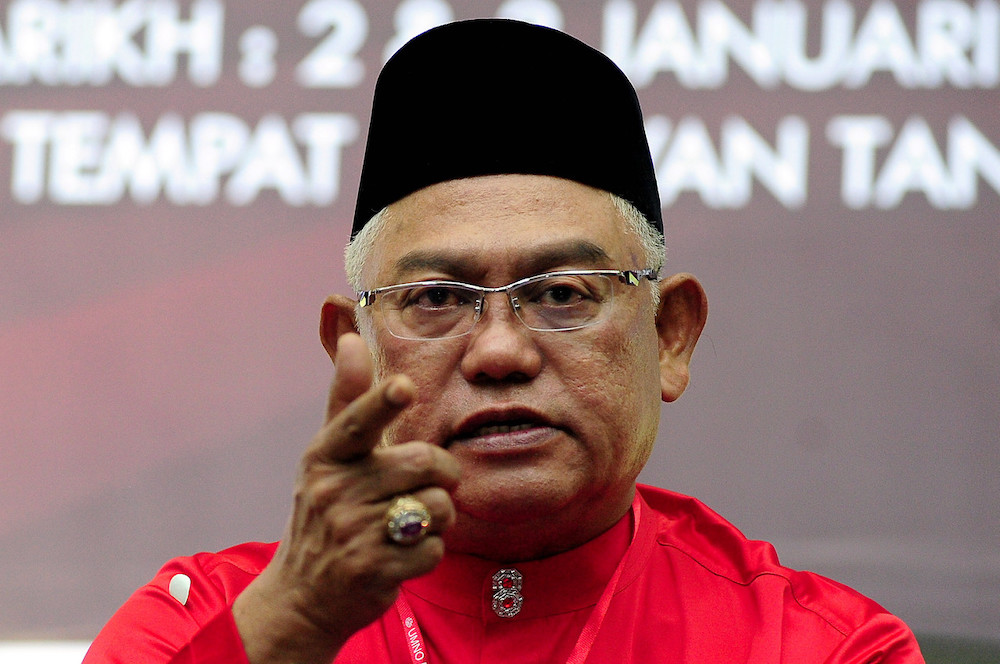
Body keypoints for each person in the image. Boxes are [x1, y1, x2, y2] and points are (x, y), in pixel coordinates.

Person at [83, 19, 924, 664]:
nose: (498, 353)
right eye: (437, 298)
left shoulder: (817, 646)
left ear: (670, 336)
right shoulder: (204, 623)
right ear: (355, 345)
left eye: (561, 294)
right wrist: (294, 623)